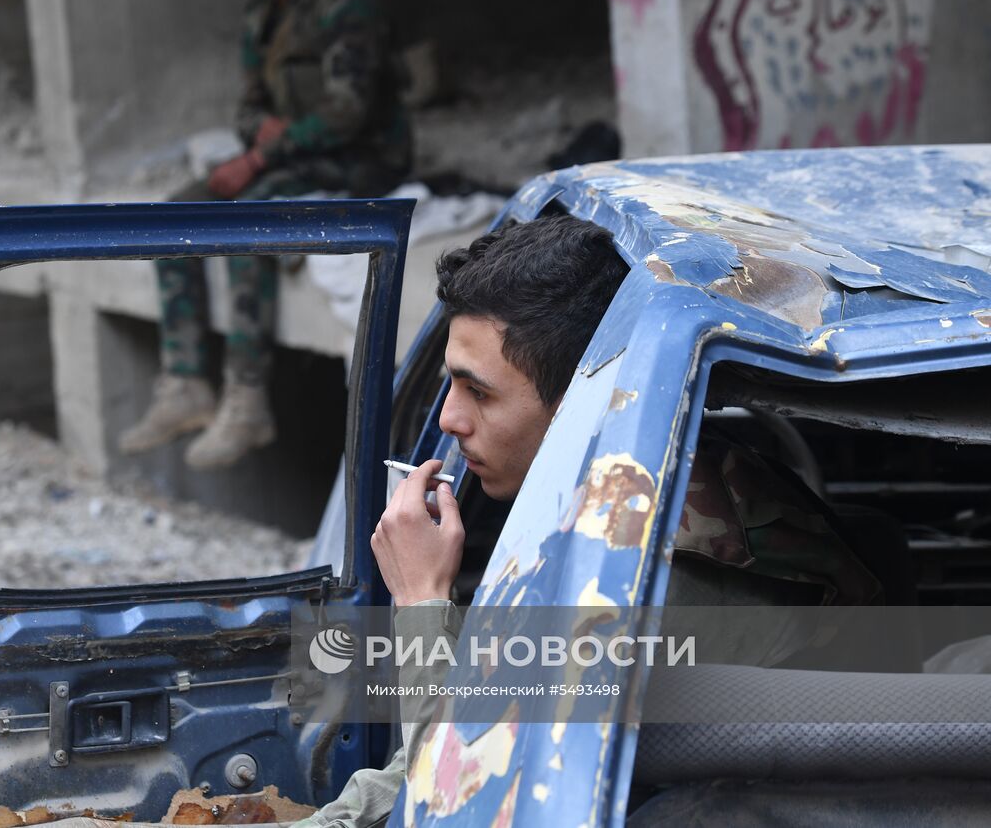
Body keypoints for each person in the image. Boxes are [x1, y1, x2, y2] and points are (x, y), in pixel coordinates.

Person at [297, 213, 879, 828]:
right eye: (451, 385)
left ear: (583, 397)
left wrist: (421, 598)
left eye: (480, 393)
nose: (448, 419)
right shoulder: (596, 492)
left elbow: (459, 793)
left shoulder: (648, 565)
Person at [119, 0, 411, 470]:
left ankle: (248, 396)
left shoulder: (342, 5)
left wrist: (262, 153)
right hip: (295, 152)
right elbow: (248, 110)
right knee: (174, 212)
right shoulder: (261, 17)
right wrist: (263, 136)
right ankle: (185, 382)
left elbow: (348, 114)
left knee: (247, 213)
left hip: (364, 156)